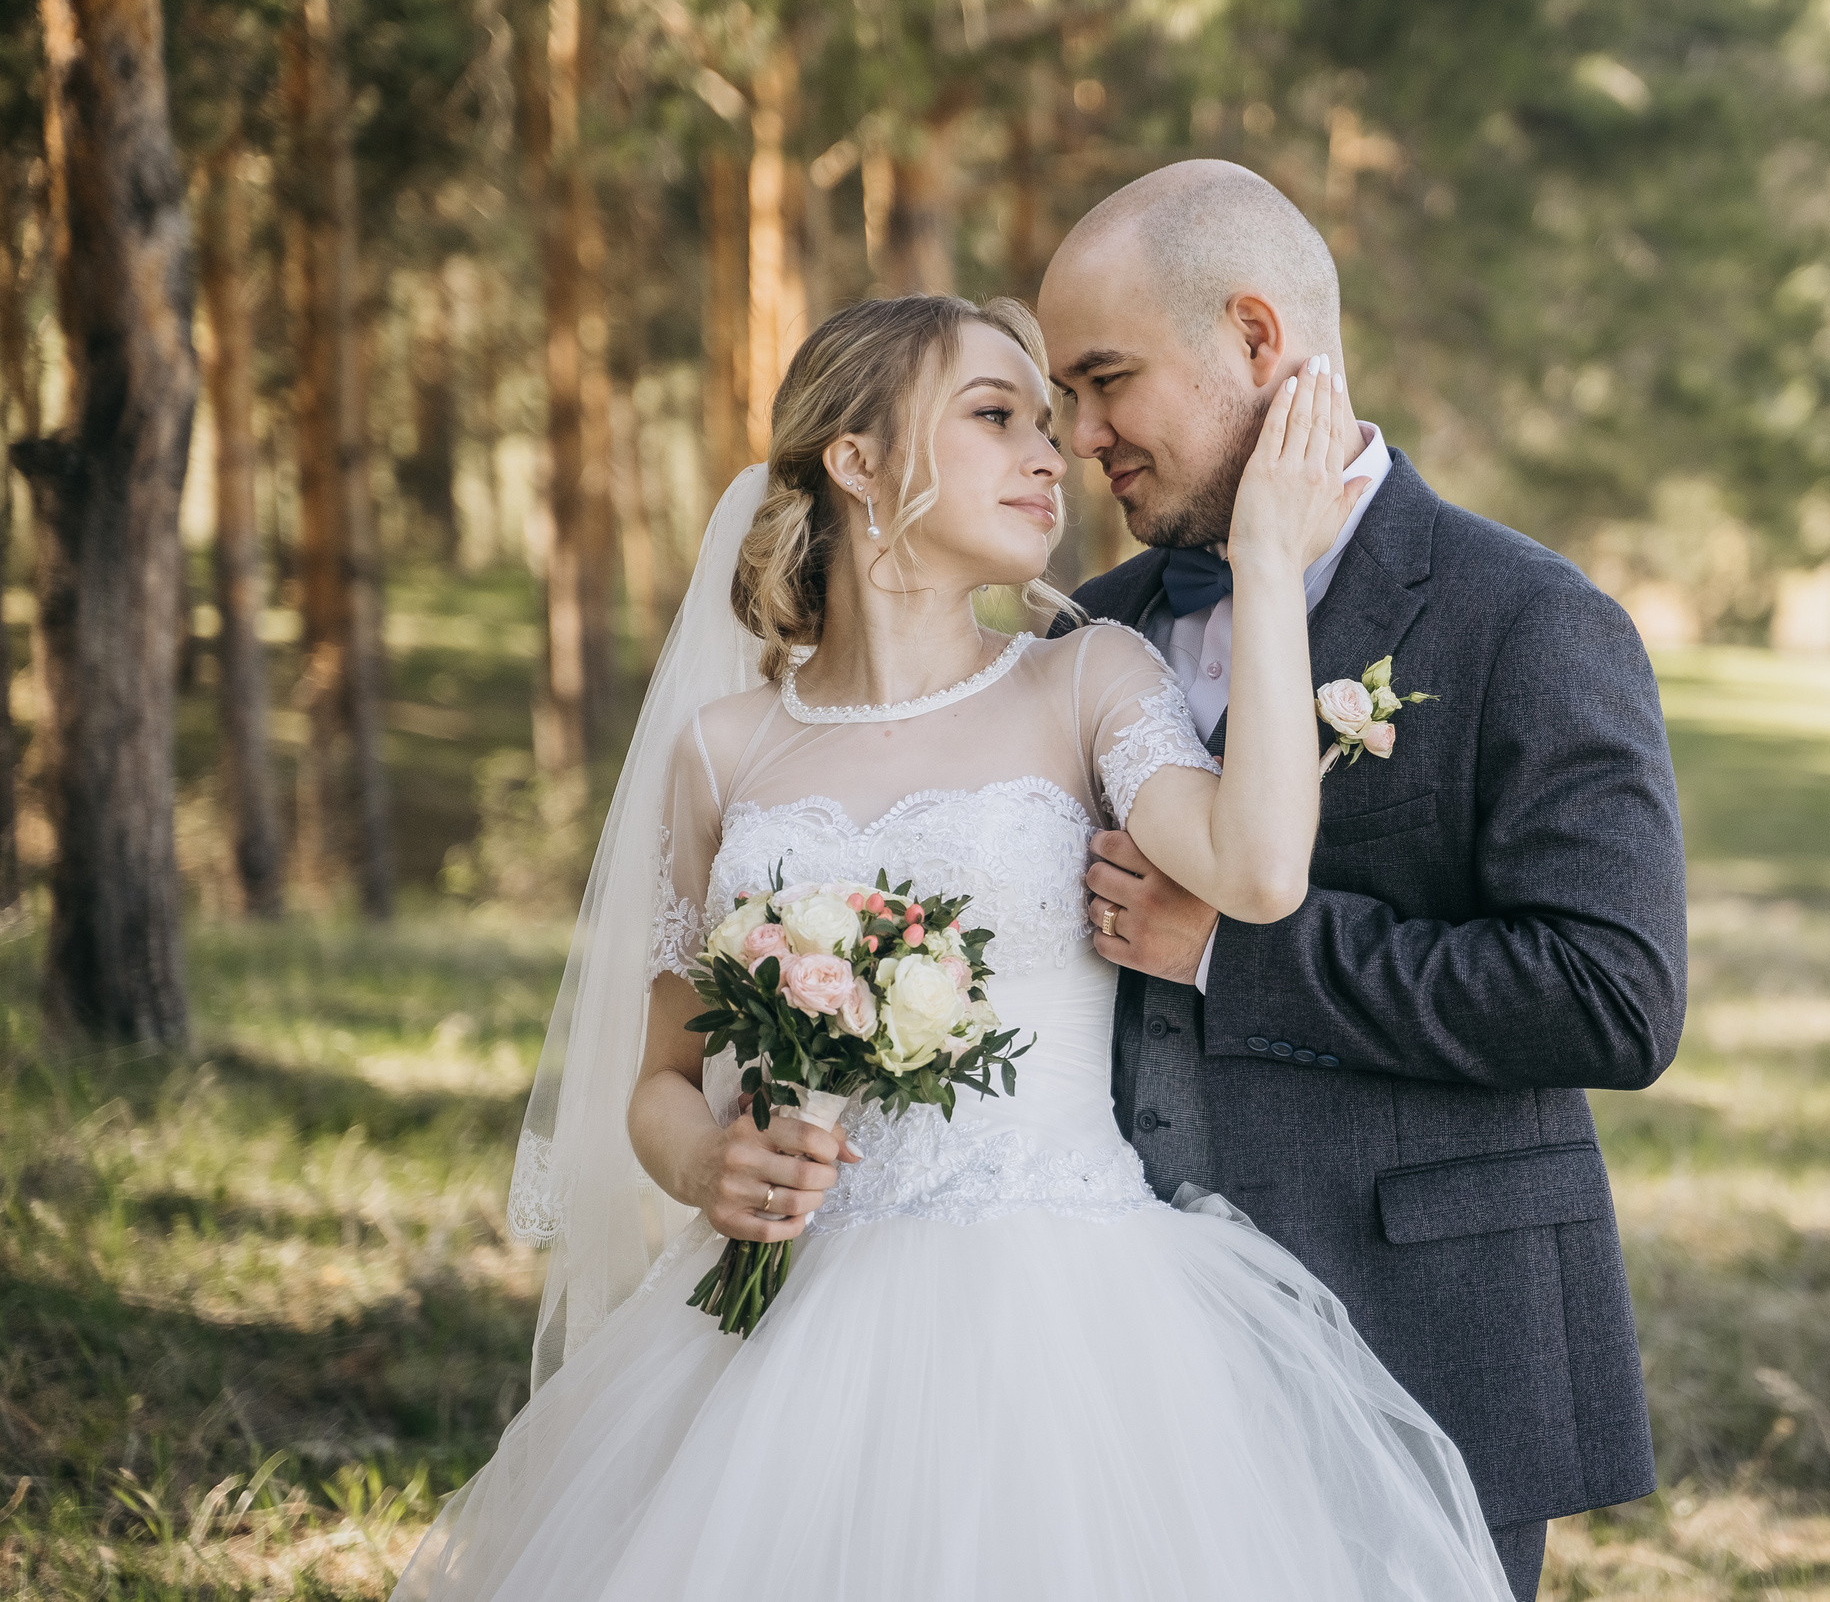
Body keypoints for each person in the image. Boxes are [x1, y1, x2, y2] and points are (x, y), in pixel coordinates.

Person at [396, 293, 1513, 1600]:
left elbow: (1259, 874)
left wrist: (1268, 565)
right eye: (998, 418)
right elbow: (659, 1080)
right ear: (857, 460)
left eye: (1050, 423)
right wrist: (708, 1160)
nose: (1054, 455)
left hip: (1066, 1314)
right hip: (778, 1328)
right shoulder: (723, 750)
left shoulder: (1086, 681)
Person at [1039, 160, 1690, 1602]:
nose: (1080, 436)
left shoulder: (1528, 620)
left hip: (1415, 1339)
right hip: (1111, 1358)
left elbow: (1613, 997)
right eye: (1063, 396)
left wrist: (1230, 949)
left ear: (1255, 338)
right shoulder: (1087, 634)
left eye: (1106, 380)